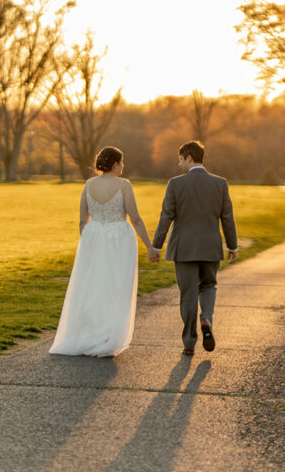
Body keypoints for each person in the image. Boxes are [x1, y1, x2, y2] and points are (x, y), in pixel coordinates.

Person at [50, 146, 156, 357]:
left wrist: (87, 242)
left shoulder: (89, 184)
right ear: (115, 164)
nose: (123, 166)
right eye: (121, 162)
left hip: (94, 237)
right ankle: (108, 335)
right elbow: (135, 218)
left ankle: (87, 333)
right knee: (116, 286)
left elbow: (82, 220)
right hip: (119, 239)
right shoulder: (124, 185)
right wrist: (149, 246)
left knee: (91, 286)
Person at [150, 140, 238, 356]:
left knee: (188, 294)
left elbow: (166, 216)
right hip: (210, 247)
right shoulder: (220, 183)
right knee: (208, 285)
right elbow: (227, 217)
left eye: (181, 160)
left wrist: (156, 246)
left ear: (189, 158)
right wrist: (232, 245)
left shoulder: (175, 184)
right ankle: (206, 317)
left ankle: (189, 343)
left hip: (184, 249)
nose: (179, 164)